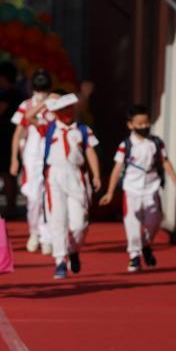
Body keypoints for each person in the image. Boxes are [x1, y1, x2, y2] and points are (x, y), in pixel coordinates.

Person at [99, 104, 176, 271]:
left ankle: (145, 244)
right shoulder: (126, 145)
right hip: (131, 188)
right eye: (139, 124)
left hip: (151, 186)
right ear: (130, 125)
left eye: (146, 123)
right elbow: (117, 168)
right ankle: (134, 256)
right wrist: (110, 192)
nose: (144, 126)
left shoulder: (156, 143)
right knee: (132, 222)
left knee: (154, 220)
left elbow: (165, 162)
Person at [42, 92, 101, 279]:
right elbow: (29, 118)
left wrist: (96, 175)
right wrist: (47, 100)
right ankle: (60, 260)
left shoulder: (83, 130)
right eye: (62, 109)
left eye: (69, 108)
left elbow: (90, 151)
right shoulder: (50, 127)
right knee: (57, 219)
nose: (66, 113)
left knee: (79, 223)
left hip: (76, 175)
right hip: (55, 176)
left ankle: (73, 250)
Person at [9, 69, 54, 254]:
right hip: (32, 158)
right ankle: (34, 232)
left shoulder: (55, 105)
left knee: (49, 197)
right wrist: (14, 159)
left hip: (52, 156)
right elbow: (18, 133)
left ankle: (47, 236)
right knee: (34, 198)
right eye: (38, 89)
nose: (40, 92)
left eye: (44, 89)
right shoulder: (26, 105)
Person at [0, 62, 22, 219]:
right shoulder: (18, 93)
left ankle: (11, 207)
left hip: (5, 138)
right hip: (9, 136)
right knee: (10, 174)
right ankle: (12, 206)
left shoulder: (8, 95)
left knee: (7, 173)